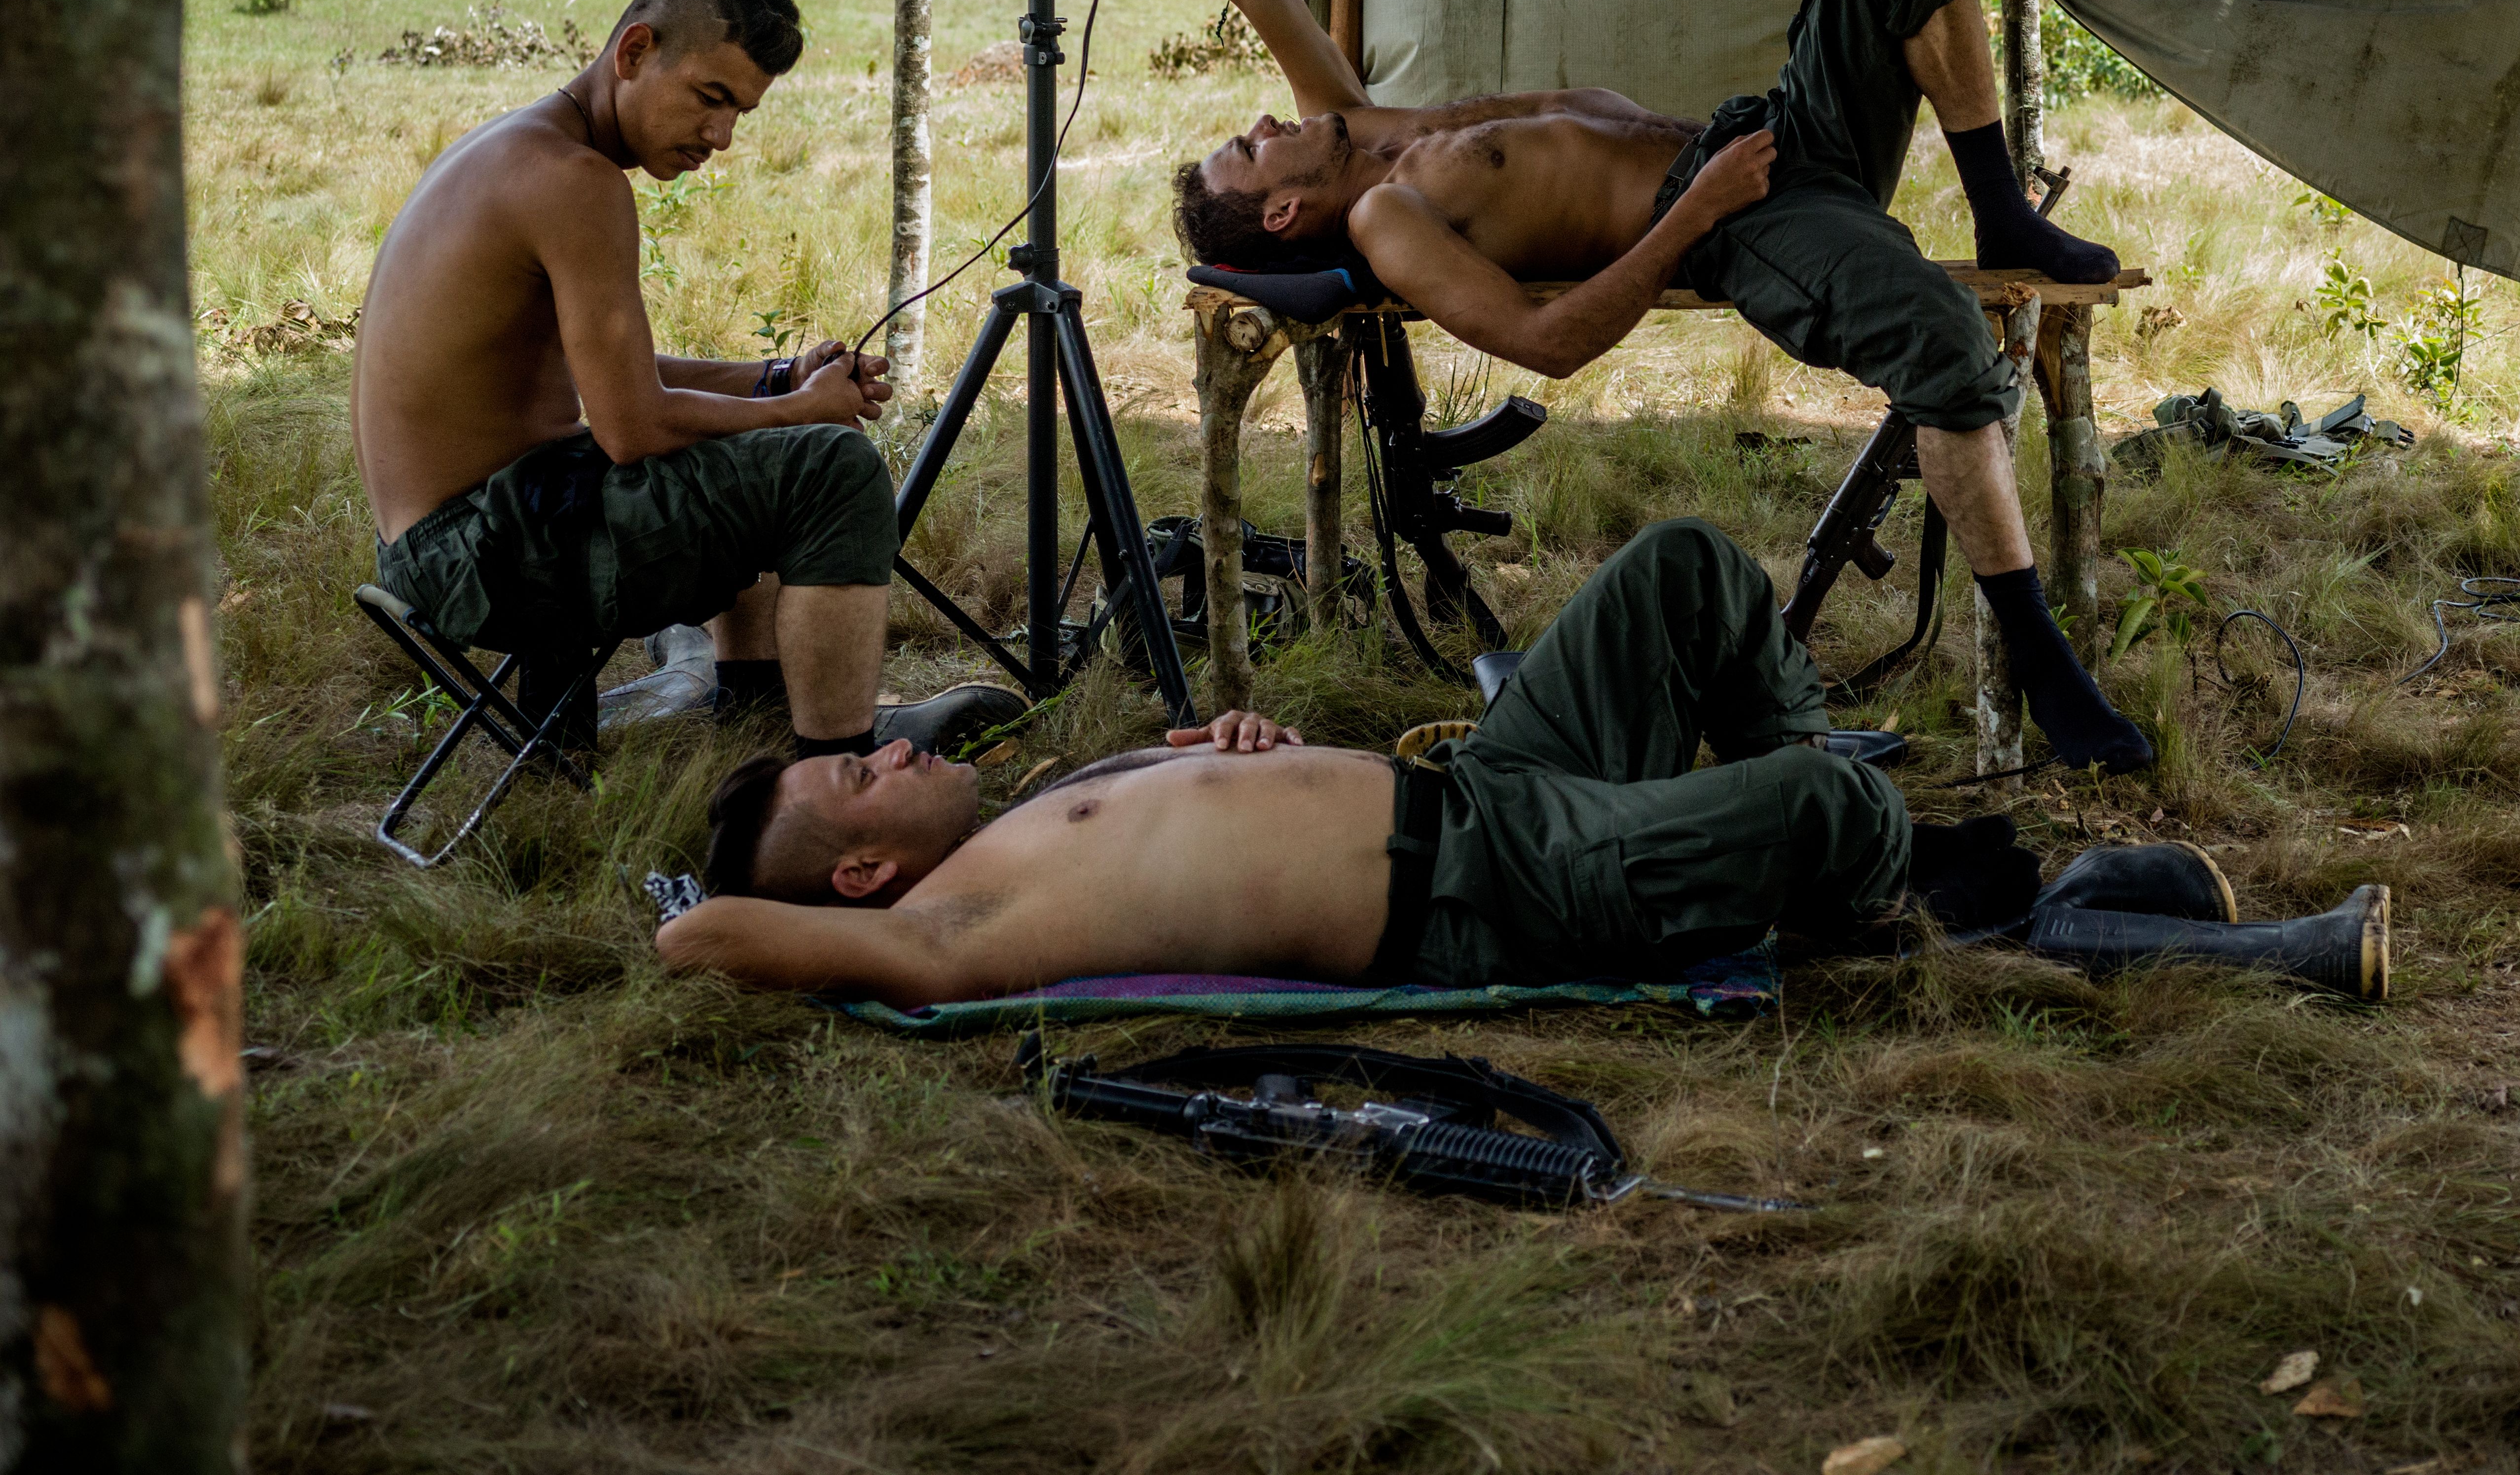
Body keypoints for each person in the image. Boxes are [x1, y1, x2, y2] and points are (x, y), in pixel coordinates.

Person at [1056, 0, 2150, 772]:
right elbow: (1549, 343)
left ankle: (2002, 211)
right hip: (1732, 214)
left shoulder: (1354, 116)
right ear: (1287, 212)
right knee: (1941, 343)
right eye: (1252, 151)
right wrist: (1695, 214)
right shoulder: (1391, 218)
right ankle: (2042, 658)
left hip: (1763, 137)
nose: (1263, 118)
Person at [661, 520, 2388, 1006]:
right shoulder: (952, 935)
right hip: (1495, 890)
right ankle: (1906, 887)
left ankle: (1850, 866)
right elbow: (704, 936)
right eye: (859, 781)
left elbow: (1207, 827)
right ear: (868, 879)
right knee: (1819, 796)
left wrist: (1244, 763)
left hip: (1496, 783)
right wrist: (696, 901)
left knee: (1690, 571)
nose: (886, 747)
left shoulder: (1018, 828)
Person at [353, 0, 1015, 758]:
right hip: (484, 555)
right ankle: (836, 773)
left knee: (765, 445)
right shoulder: (576, 182)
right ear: (634, 54)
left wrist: (775, 379)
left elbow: (607, 374)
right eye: (710, 98)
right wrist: (801, 408)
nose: (722, 137)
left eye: (741, 111)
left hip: (452, 540)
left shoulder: (515, 148)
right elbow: (632, 428)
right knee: (830, 470)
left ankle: (754, 709)